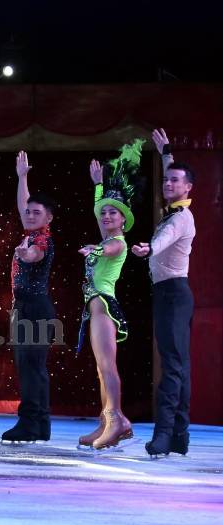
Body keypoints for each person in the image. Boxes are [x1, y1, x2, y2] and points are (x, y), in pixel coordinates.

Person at [76, 140, 144, 450]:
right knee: (100, 368)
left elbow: (111, 246)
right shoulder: (107, 231)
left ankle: (117, 419)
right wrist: (99, 186)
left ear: (122, 220)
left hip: (104, 304)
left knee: (107, 366)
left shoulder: (118, 242)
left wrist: (97, 248)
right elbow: (98, 213)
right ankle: (107, 421)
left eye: (111, 213)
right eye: (103, 212)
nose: (105, 216)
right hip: (95, 306)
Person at [133, 128, 196, 457]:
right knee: (179, 365)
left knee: (172, 367)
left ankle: (164, 434)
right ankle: (179, 436)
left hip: (173, 294)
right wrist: (166, 152)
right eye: (166, 179)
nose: (168, 184)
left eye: (175, 181)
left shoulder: (181, 218)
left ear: (188, 188)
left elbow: (166, 237)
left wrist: (149, 247)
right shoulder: (176, 209)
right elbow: (174, 175)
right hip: (170, 294)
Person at [1, 151, 57, 443]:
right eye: (28, 212)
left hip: (33, 309)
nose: (30, 215)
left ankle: (30, 424)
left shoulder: (41, 240)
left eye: (37, 212)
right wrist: (22, 177)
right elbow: (24, 205)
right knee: (34, 368)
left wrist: (27, 255)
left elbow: (36, 255)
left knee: (30, 369)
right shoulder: (31, 232)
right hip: (27, 308)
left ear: (48, 217)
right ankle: (41, 425)